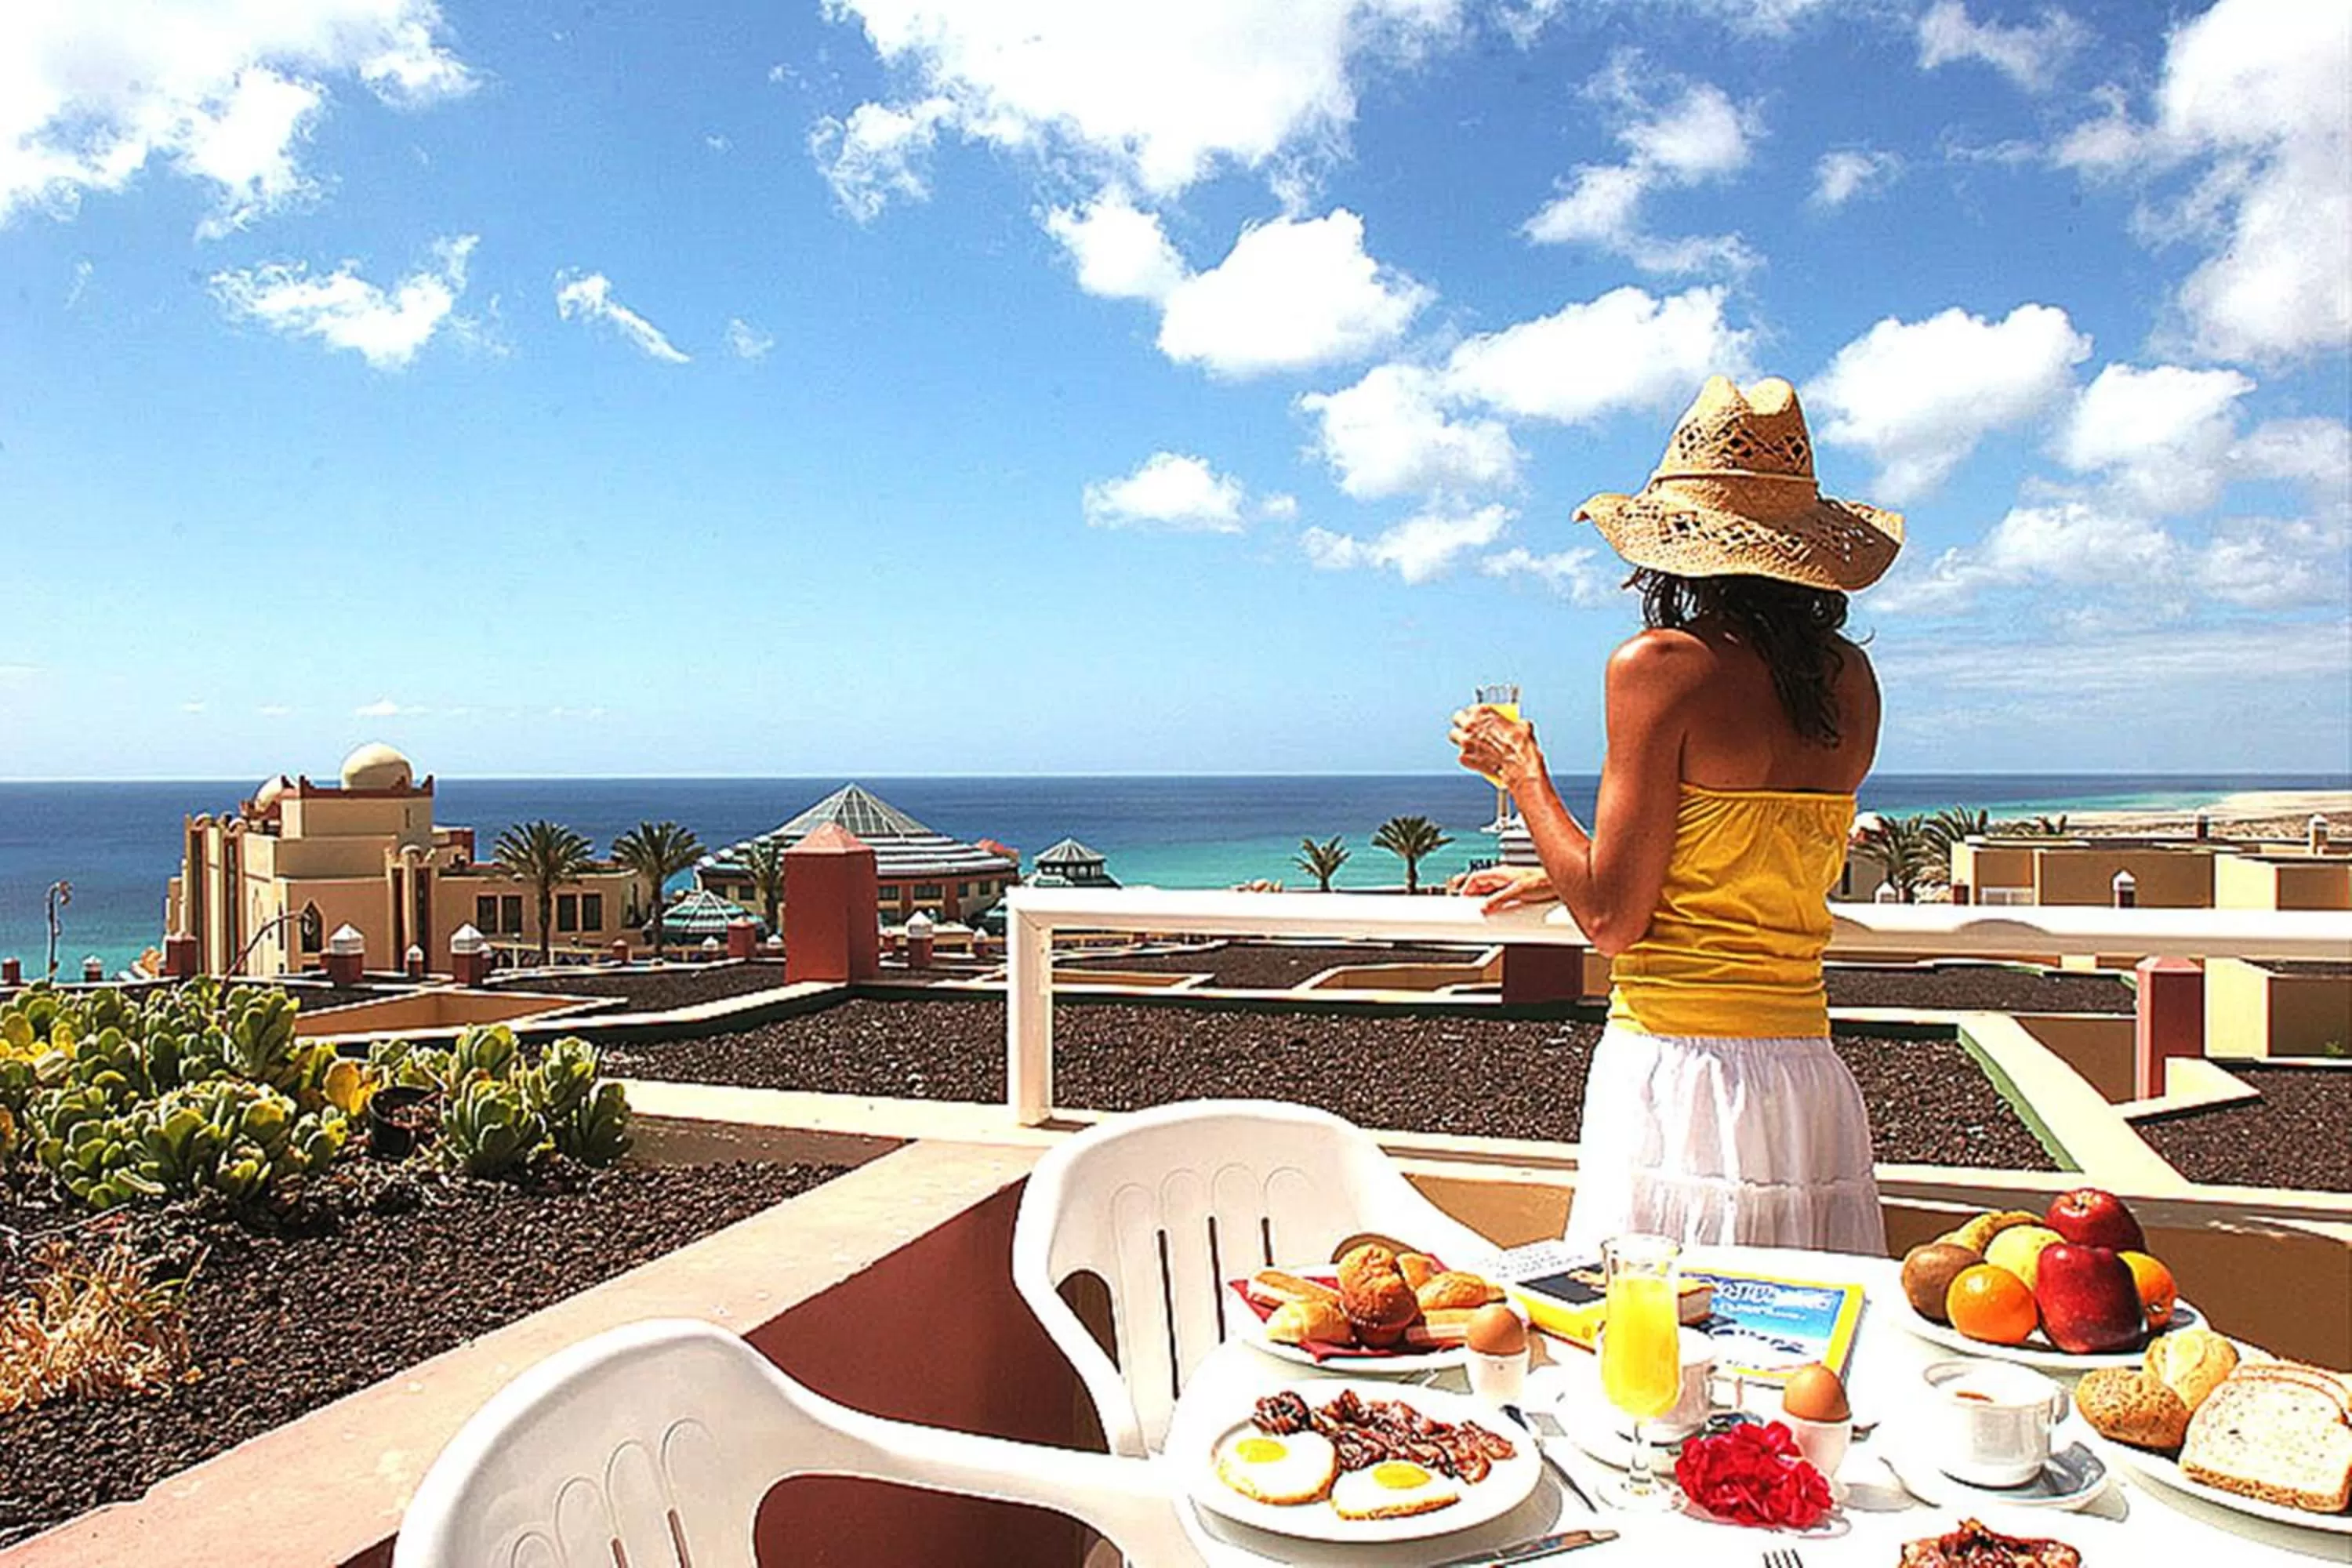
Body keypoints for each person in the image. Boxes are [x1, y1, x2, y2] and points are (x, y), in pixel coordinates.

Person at [1449, 374, 1903, 1257]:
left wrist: (1523, 772)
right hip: (1806, 1075)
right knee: (1802, 1360)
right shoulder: (1849, 681)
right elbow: (1744, 845)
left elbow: (1614, 918)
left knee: (1658, 1356)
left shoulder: (1658, 665)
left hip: (1679, 1075)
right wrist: (1560, 868)